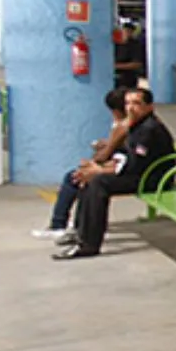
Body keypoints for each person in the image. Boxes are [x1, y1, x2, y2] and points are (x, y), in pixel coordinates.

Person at [53, 88, 176, 261]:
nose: (130, 108)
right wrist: (97, 168)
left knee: (99, 183)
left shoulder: (149, 129)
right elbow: (124, 155)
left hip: (153, 179)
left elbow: (135, 164)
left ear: (149, 107)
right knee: (88, 178)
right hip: (140, 174)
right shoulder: (136, 125)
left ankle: (89, 244)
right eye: (127, 103)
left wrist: (100, 170)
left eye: (137, 103)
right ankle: (81, 231)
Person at [32, 88, 131, 240]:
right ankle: (77, 224)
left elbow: (104, 156)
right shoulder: (131, 124)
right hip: (121, 165)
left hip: (126, 170)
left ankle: (59, 224)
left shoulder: (122, 126)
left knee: (76, 178)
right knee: (81, 177)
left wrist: (96, 161)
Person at [113, 23, 145, 90]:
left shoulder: (135, 45)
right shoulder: (114, 44)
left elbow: (137, 64)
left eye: (128, 31)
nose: (125, 33)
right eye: (123, 31)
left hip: (128, 78)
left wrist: (116, 66)